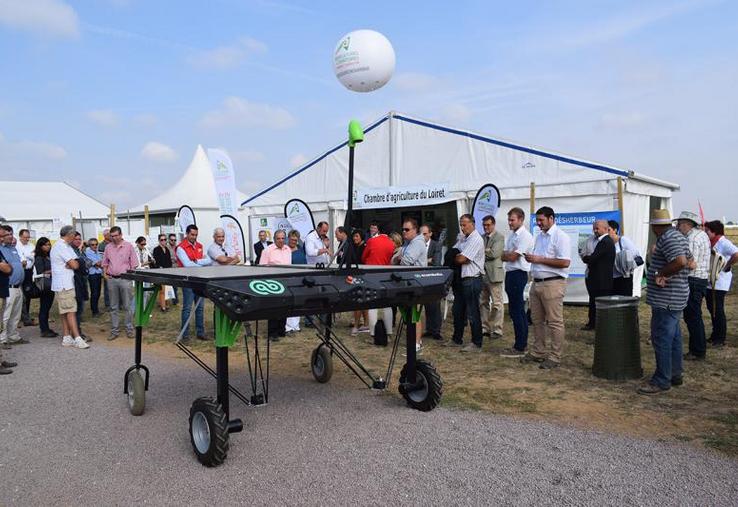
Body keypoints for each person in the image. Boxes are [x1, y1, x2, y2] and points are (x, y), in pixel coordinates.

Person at [638, 209, 691, 395]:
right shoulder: (679, 236)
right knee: (674, 338)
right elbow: (690, 262)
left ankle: (662, 380)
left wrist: (661, 273)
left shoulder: (667, 238)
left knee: (661, 339)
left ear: (655, 226)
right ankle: (675, 374)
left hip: (666, 298)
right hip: (675, 296)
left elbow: (681, 261)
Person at [522, 206, 571, 369]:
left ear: (551, 218)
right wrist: (532, 259)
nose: (538, 223)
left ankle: (555, 356)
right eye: (537, 220)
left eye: (541, 220)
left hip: (553, 283)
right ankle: (538, 351)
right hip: (537, 282)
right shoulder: (540, 236)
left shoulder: (561, 237)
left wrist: (539, 259)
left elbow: (565, 262)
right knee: (537, 320)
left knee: (555, 321)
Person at [675, 211, 711, 360]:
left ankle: (697, 351)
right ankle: (697, 349)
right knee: (694, 315)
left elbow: (690, 263)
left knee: (692, 316)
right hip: (700, 279)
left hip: (694, 279)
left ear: (687, 224)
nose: (678, 227)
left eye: (679, 224)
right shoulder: (702, 235)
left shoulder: (692, 239)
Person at [500, 208, 534, 358]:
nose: (510, 223)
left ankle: (520, 346)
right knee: (515, 310)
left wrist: (509, 254)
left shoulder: (525, 236)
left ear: (521, 219)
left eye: (512, 220)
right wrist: (508, 254)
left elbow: (512, 257)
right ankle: (520, 343)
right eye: (509, 220)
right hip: (511, 273)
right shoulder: (512, 235)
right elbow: (503, 255)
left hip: (518, 273)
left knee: (517, 310)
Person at [450, 214, 485, 352]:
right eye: (461, 225)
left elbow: (462, 259)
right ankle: (456, 338)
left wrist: (455, 257)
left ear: (472, 224)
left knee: (472, 312)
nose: (462, 228)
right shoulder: (464, 238)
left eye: (464, 225)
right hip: (463, 279)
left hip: (472, 278)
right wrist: (456, 255)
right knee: (458, 310)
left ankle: (476, 342)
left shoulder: (476, 239)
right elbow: (454, 251)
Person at [50, 225, 89, 349]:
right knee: (71, 311)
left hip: (66, 283)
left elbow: (79, 261)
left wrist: (75, 263)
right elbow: (75, 265)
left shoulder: (66, 246)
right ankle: (77, 338)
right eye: (74, 235)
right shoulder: (61, 246)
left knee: (65, 311)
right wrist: (74, 263)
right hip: (64, 284)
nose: (75, 237)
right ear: (70, 235)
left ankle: (67, 337)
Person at [704, 220, 738, 349]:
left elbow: (736, 254)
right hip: (711, 281)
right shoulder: (711, 242)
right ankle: (715, 334)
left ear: (714, 231)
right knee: (711, 308)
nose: (706, 233)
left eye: (707, 231)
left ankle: (720, 338)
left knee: (717, 309)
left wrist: (727, 266)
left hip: (720, 282)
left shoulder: (724, 243)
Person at [176, 224, 212, 342]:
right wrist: (201, 263)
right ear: (187, 234)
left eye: (196, 235)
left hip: (199, 279)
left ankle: (200, 332)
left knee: (200, 307)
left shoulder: (199, 246)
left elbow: (209, 260)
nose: (194, 237)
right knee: (187, 308)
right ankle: (185, 334)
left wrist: (196, 261)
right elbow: (187, 264)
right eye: (192, 234)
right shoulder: (180, 248)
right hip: (187, 280)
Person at [102, 226, 139, 340]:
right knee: (113, 307)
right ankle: (114, 330)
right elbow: (105, 262)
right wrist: (105, 274)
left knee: (127, 306)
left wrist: (130, 276)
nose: (114, 238)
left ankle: (129, 329)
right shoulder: (108, 247)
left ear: (121, 234)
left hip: (125, 280)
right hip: (112, 279)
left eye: (116, 235)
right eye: (112, 236)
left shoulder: (128, 246)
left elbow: (134, 264)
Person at [396, 218, 428, 352]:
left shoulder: (417, 243)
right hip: (410, 282)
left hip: (416, 282)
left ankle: (416, 343)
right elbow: (395, 258)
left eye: (407, 229)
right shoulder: (408, 243)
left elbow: (406, 261)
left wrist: (400, 258)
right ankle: (415, 340)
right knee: (410, 313)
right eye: (403, 229)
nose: (404, 232)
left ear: (415, 230)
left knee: (415, 314)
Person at [581, 219, 616, 331]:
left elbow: (592, 258)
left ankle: (599, 325)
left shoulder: (605, 242)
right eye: (594, 228)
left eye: (597, 228)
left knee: (599, 303)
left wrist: (586, 258)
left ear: (605, 229)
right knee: (594, 301)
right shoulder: (603, 241)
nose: (595, 230)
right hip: (598, 279)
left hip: (601, 280)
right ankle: (594, 323)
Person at [362, 223, 396, 339]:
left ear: (379, 231)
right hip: (386, 275)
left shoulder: (372, 241)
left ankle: (373, 333)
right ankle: (389, 332)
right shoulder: (391, 244)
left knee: (373, 305)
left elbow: (363, 257)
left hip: (371, 274)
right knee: (387, 305)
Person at [259, 230, 291, 341]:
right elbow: (262, 268)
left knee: (285, 307)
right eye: (278, 238)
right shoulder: (267, 251)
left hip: (286, 281)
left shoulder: (288, 249)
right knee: (274, 308)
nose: (281, 240)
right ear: (274, 239)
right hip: (273, 283)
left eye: (283, 238)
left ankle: (282, 330)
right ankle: (272, 333)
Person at [0, 225, 27, 348]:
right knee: (6, 314)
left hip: (18, 286)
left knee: (15, 314)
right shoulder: (1, 249)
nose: (10, 236)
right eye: (7, 234)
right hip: (8, 286)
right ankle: (2, 339)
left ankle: (13, 336)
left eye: (11, 234)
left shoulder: (13, 248)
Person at [480, 215, 505, 340]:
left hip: (494, 274)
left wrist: (482, 251)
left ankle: (497, 329)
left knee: (497, 303)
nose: (486, 227)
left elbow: (495, 253)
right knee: (483, 302)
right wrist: (486, 250)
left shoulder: (499, 237)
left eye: (488, 225)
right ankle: (484, 328)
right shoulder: (481, 237)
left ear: (493, 224)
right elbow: (477, 252)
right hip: (482, 274)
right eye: (484, 225)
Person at [420, 224, 443, 341]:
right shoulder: (418, 245)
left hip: (433, 278)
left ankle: (436, 330)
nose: (422, 236)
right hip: (422, 278)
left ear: (430, 234)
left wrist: (423, 261)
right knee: (427, 304)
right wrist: (428, 260)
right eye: (421, 234)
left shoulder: (436, 245)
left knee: (435, 305)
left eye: (424, 234)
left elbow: (436, 262)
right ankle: (429, 329)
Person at [0, 228, 19, 373]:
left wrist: (8, 267)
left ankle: (1, 359)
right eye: (2, 236)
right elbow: (6, 268)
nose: (3, 238)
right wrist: (7, 266)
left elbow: (9, 268)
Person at [608, 220, 641, 296]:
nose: (607, 232)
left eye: (609, 230)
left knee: (625, 300)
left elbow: (636, 255)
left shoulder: (623, 240)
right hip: (611, 278)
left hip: (624, 278)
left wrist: (627, 266)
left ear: (615, 230)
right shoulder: (606, 243)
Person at [33, 237, 57, 337]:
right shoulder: (39, 258)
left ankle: (46, 328)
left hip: (51, 284)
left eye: (49, 244)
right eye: (45, 245)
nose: (48, 246)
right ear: (40, 246)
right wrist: (53, 270)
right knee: (44, 307)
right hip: (44, 285)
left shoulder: (49, 256)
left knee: (47, 307)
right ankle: (44, 329)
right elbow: (40, 272)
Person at [285, 230, 306, 333]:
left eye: (295, 240)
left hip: (299, 279)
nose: (293, 241)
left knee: (298, 302)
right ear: (288, 238)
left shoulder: (301, 250)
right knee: (289, 302)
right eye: (292, 239)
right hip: (288, 279)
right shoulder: (285, 250)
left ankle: (296, 325)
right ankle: (288, 326)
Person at [72, 232, 91, 341]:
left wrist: (83, 264)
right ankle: (76, 333)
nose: (78, 241)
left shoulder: (80, 251)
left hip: (82, 281)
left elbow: (88, 263)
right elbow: (80, 265)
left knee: (80, 308)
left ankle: (77, 331)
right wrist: (83, 264)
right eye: (76, 239)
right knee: (76, 309)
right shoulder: (71, 251)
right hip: (75, 282)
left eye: (80, 239)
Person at [16, 229, 35, 327]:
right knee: (19, 295)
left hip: (29, 271)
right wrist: (28, 256)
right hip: (20, 271)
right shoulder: (16, 245)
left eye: (28, 237)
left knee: (27, 294)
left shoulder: (31, 245)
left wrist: (27, 256)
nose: (27, 239)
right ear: (20, 236)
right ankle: (19, 316)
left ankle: (26, 315)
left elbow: (33, 257)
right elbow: (20, 258)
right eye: (25, 237)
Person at [152, 234, 172, 311]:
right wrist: (159, 267)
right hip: (160, 272)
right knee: (162, 290)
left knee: (167, 289)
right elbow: (155, 261)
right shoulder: (156, 249)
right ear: (159, 241)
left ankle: (166, 304)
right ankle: (163, 306)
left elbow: (169, 261)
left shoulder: (167, 249)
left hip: (167, 271)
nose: (163, 241)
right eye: (162, 240)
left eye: (165, 239)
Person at [85, 237, 103, 317]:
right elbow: (98, 263)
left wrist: (99, 263)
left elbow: (101, 263)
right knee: (94, 293)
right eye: (92, 245)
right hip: (92, 275)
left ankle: (96, 310)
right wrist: (98, 263)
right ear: (89, 245)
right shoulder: (88, 252)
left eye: (96, 244)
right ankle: (94, 312)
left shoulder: (97, 252)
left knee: (98, 293)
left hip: (98, 273)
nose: (95, 246)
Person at [98, 228, 111, 309]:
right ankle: (108, 304)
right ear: (105, 236)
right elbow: (102, 259)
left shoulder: (113, 243)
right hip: (107, 269)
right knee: (107, 287)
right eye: (110, 235)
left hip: (114, 268)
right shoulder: (102, 245)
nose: (111, 236)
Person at [167, 234, 179, 305]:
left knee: (175, 286)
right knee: (170, 286)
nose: (173, 241)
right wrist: (174, 259)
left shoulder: (178, 248)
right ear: (169, 240)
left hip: (176, 269)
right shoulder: (166, 248)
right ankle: (173, 300)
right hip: (169, 269)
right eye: (172, 240)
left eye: (175, 240)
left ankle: (175, 300)